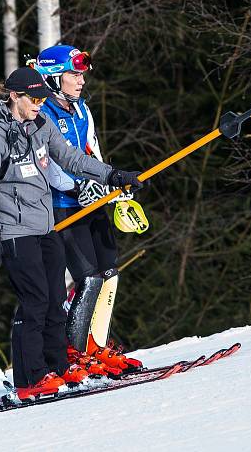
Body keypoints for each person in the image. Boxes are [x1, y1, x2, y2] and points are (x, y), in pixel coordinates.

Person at [0, 66, 143, 400]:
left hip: (45, 226)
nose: (39, 104)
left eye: (42, 99)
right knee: (33, 302)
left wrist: (113, 175)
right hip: (14, 232)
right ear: (14, 96)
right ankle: (30, 378)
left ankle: (58, 367)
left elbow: (72, 158)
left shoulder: (41, 125)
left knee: (55, 302)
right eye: (33, 99)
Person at [34, 44, 145, 373]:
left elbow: (91, 151)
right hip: (63, 207)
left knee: (109, 273)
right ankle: (75, 352)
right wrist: (77, 186)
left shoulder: (81, 109)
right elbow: (51, 164)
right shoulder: (42, 114)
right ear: (54, 79)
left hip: (92, 201)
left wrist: (111, 185)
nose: (80, 80)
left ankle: (96, 348)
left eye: (81, 73)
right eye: (73, 74)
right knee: (88, 278)